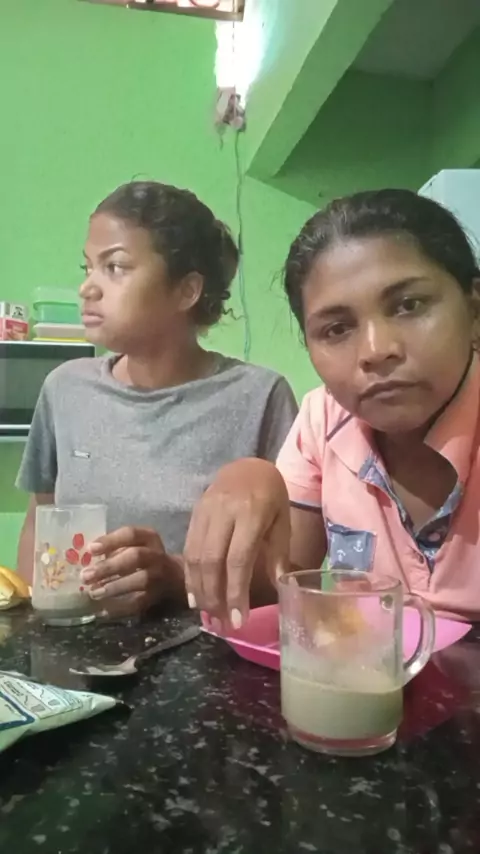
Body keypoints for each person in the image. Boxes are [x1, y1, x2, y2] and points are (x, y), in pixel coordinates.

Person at [184, 188, 480, 626]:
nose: (376, 350)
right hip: (365, 669)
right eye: (337, 329)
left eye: (408, 305)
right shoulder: (324, 419)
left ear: (474, 309)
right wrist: (251, 478)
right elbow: (278, 593)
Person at [17, 181, 298, 616]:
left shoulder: (260, 397)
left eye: (115, 267)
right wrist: (32, 626)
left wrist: (177, 576)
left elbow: (290, 572)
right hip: (77, 643)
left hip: (209, 646)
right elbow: (41, 523)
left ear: (187, 291)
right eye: (88, 267)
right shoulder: (64, 388)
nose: (87, 288)